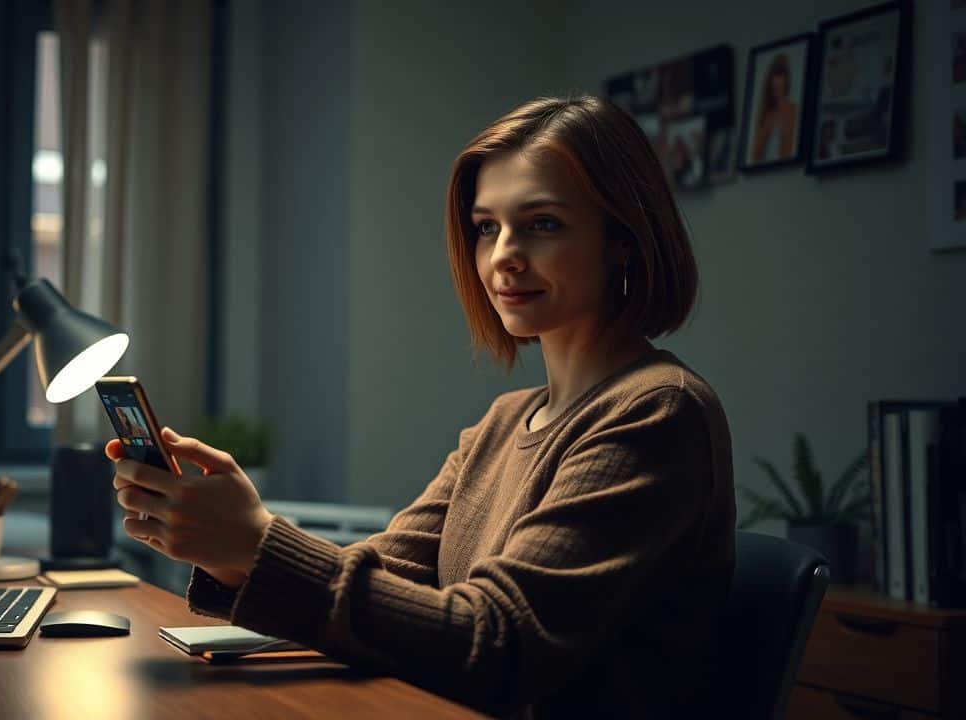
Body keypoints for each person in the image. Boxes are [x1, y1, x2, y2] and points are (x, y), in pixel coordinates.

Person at [107, 95, 735, 718]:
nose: (502, 256)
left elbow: (499, 645)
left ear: (623, 241)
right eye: (487, 226)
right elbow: (385, 579)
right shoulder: (503, 422)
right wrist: (229, 548)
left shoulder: (657, 413)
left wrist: (257, 543)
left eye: (542, 223)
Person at [751, 53, 799, 163]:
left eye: (781, 76)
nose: (777, 82)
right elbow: (755, 155)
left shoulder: (793, 110)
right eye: (775, 76)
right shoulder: (766, 114)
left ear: (787, 80)